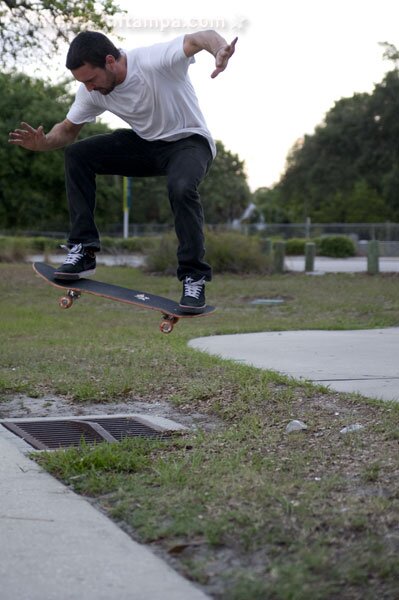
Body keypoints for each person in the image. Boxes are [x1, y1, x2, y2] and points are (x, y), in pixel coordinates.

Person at [9, 29, 237, 313]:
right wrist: (43, 143)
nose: (89, 89)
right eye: (83, 83)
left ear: (110, 61)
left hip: (189, 143)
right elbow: (66, 131)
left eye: (91, 80)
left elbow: (198, 38)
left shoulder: (153, 60)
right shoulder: (91, 91)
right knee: (78, 155)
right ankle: (83, 250)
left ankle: (194, 278)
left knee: (180, 187)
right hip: (146, 146)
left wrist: (219, 50)